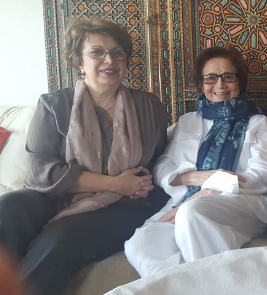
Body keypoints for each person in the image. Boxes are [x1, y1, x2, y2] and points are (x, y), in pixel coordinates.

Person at [0, 17, 168, 295]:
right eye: (96, 52)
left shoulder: (148, 106)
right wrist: (117, 183)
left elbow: (157, 162)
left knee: (61, 238)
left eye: (117, 53)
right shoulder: (54, 105)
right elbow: (43, 172)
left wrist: (145, 183)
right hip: (56, 196)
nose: (109, 60)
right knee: (7, 208)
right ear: (79, 61)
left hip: (124, 206)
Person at [125, 46, 267, 277]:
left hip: (243, 203)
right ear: (201, 83)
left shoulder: (257, 123)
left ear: (239, 81)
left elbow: (264, 176)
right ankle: (192, 284)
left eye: (228, 76)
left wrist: (213, 187)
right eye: (210, 77)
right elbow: (161, 168)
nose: (220, 84)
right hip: (186, 201)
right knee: (140, 244)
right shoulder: (187, 122)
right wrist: (193, 178)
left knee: (192, 214)